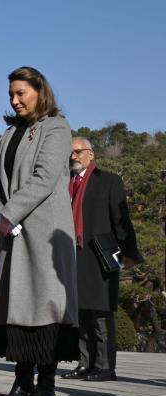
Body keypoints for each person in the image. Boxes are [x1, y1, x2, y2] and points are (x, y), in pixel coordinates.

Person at [0, 66, 79, 396]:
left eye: (20, 93)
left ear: (40, 92)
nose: (14, 100)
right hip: (13, 232)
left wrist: (10, 212)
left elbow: (44, 178)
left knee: (45, 306)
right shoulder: (9, 133)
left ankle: (47, 385)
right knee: (18, 307)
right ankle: (22, 382)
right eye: (11, 94)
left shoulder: (57, 127)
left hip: (43, 230)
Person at [61, 137, 141, 382]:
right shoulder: (66, 183)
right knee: (81, 313)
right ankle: (85, 363)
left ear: (91, 154)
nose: (73, 156)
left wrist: (129, 252)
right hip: (73, 253)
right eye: (70, 152)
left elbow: (121, 219)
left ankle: (105, 366)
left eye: (78, 152)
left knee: (101, 311)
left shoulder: (109, 181)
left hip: (102, 254)